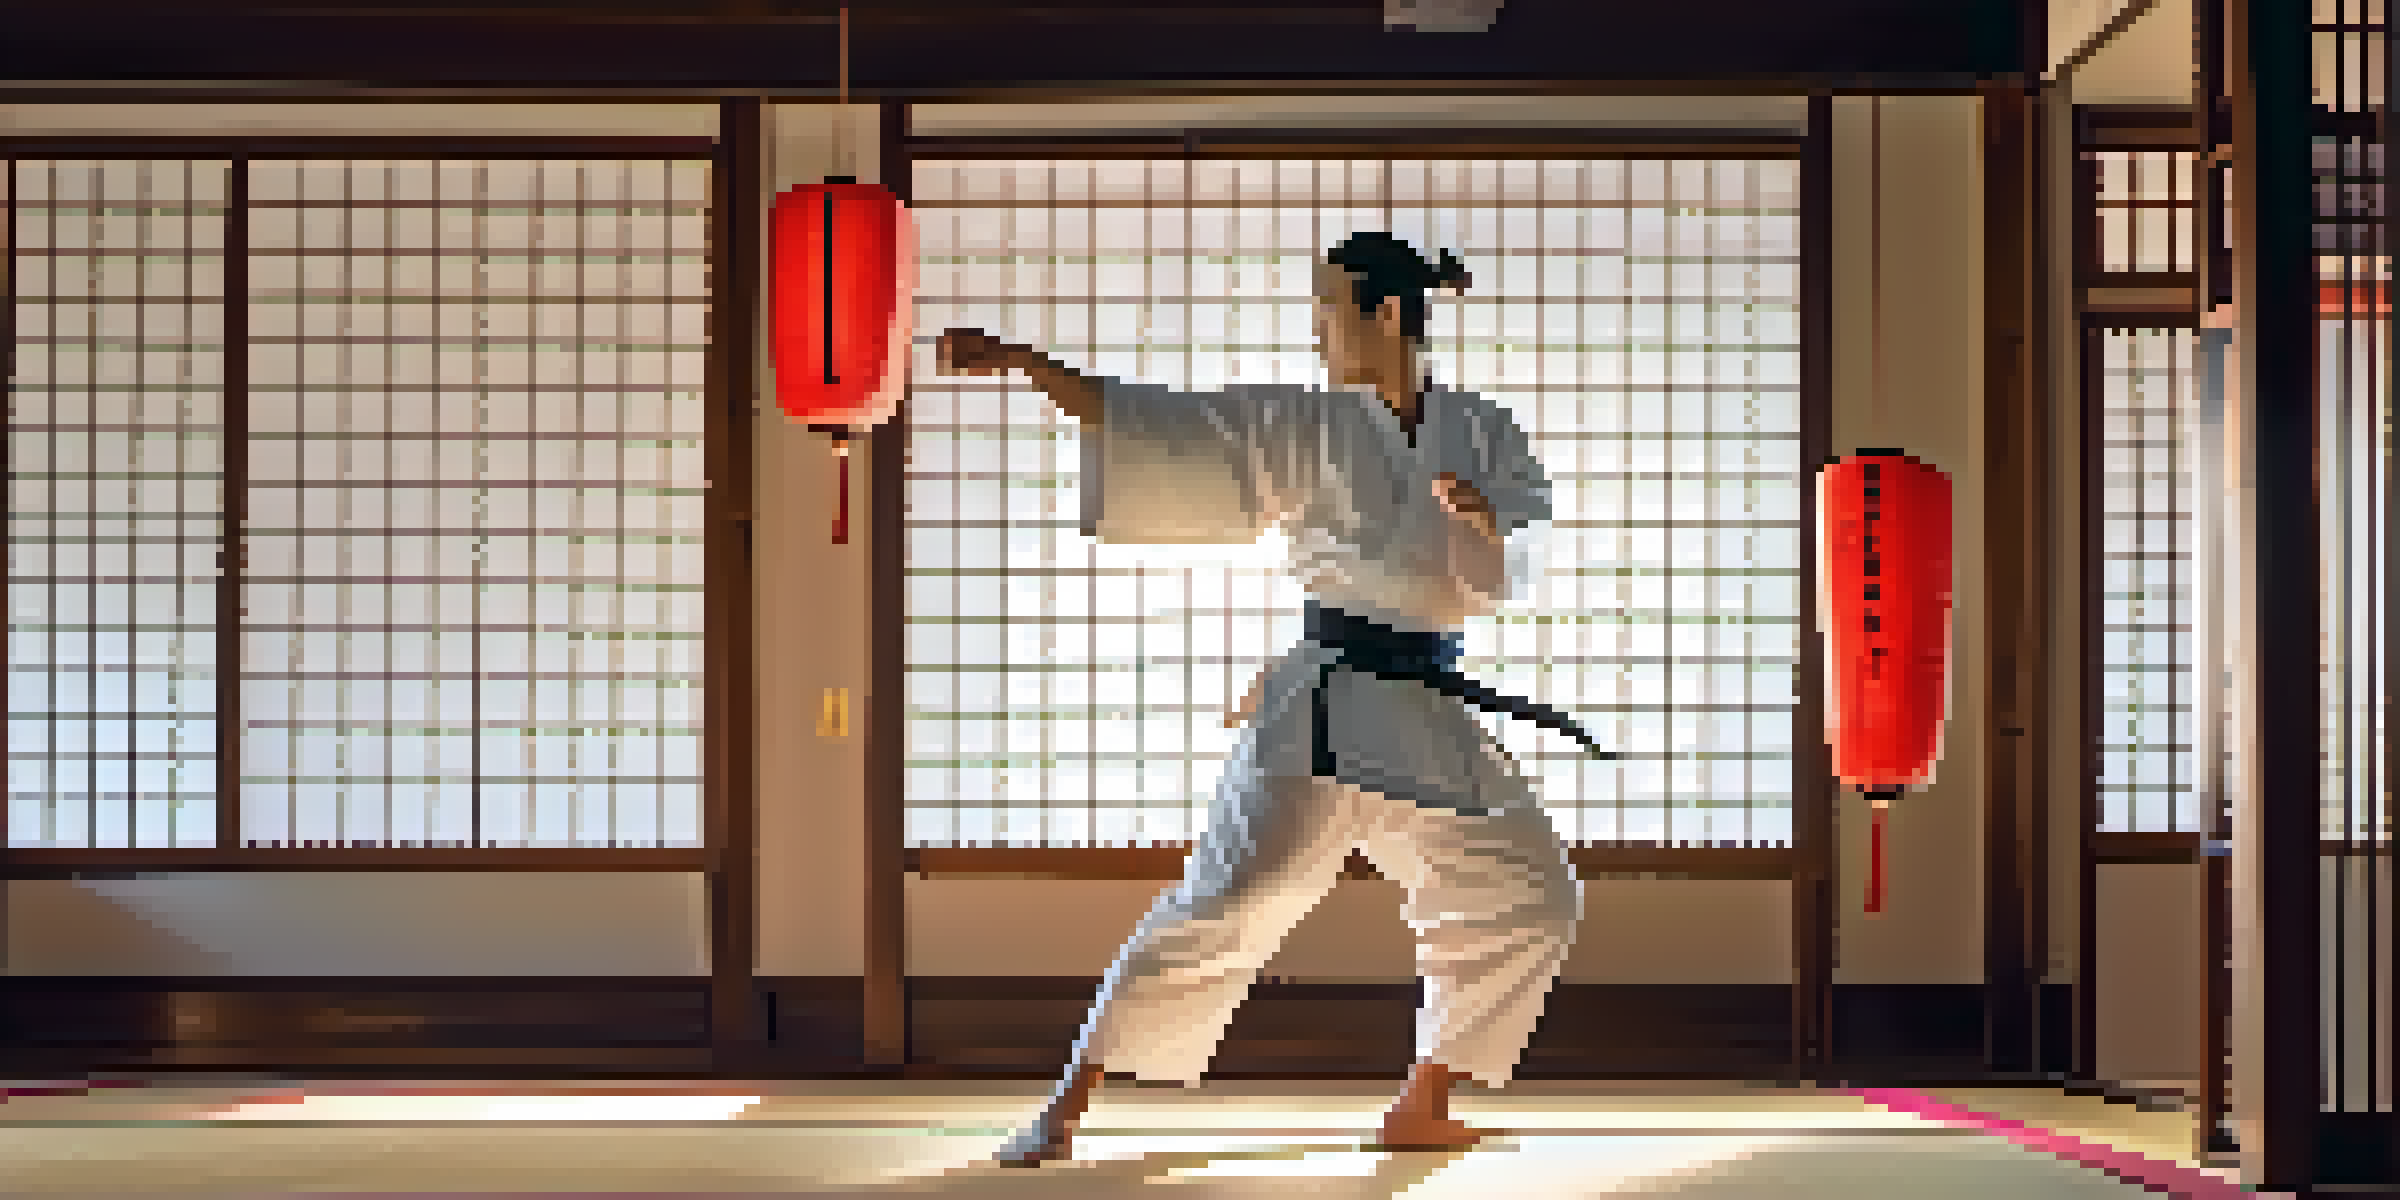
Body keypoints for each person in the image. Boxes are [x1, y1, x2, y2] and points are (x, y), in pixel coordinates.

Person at [934, 232, 1602, 1165]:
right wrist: (1036, 370)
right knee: (1222, 904)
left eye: (1330, 309)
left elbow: (1509, 564)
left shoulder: (1486, 432)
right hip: (1320, 713)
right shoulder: (1309, 426)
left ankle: (1426, 1098)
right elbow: (1166, 425)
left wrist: (1486, 525)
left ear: (1386, 314)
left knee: (1533, 894)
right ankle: (1065, 1106)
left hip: (1427, 710)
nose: (1319, 330)